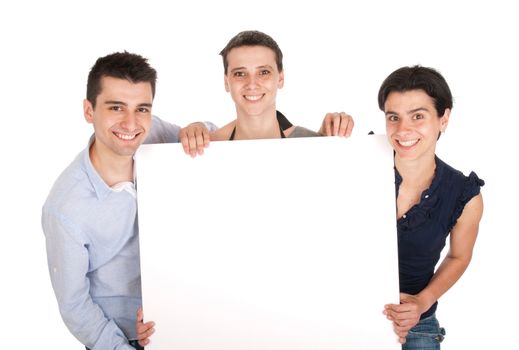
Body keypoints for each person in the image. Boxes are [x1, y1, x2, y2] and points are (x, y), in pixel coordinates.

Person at [135, 30, 355, 347]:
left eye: (263, 72)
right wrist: (163, 314)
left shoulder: (317, 147)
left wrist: (340, 141)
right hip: (225, 322)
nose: (252, 84)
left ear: (280, 78)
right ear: (226, 82)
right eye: (240, 73)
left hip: (302, 322)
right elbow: (181, 246)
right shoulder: (199, 153)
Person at [42, 51, 212, 350]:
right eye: (116, 107)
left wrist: (200, 126)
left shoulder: (153, 132)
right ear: (88, 110)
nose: (131, 123)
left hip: (189, 317)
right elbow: (74, 306)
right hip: (122, 339)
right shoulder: (65, 208)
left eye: (142, 108)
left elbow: (208, 142)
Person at [378, 66, 484, 349]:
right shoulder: (357, 163)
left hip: (418, 322)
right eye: (393, 117)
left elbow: (458, 257)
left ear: (443, 118)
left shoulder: (463, 194)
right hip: (343, 313)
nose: (403, 130)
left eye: (418, 116)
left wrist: (422, 301)